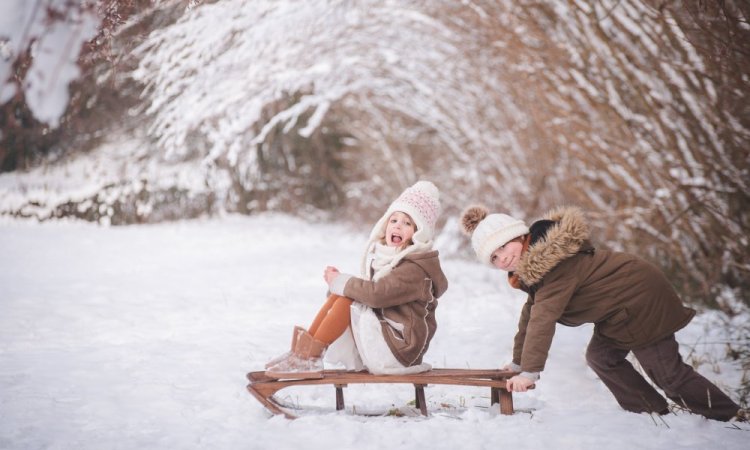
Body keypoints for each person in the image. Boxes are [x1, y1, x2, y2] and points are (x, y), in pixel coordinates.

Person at [460, 204, 745, 422]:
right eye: (493, 258)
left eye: (503, 247)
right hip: (617, 312)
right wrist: (519, 362)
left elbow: (543, 318)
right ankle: (649, 413)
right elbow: (531, 314)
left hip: (639, 300)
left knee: (668, 375)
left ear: (521, 237)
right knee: (601, 358)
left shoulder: (555, 264)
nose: (502, 258)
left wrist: (531, 372)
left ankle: (730, 416)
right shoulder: (537, 270)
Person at [265, 181, 448, 379]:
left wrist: (342, 283)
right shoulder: (390, 259)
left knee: (348, 297)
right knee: (343, 295)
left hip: (401, 350)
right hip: (389, 337)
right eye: (393, 220)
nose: (398, 226)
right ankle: (303, 353)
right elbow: (369, 293)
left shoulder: (415, 268)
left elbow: (377, 295)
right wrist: (339, 285)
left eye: (407, 223)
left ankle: (308, 357)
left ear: (418, 233)